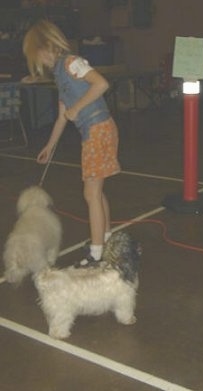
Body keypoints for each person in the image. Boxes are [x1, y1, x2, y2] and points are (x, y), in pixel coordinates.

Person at [23, 19, 120, 267]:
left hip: (98, 129)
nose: (39, 62)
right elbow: (61, 118)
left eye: (37, 56)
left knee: (91, 193)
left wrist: (77, 107)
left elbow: (101, 84)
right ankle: (106, 239)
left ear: (46, 46)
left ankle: (96, 254)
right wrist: (50, 146)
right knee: (96, 191)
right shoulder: (59, 74)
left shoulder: (70, 63)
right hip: (93, 132)